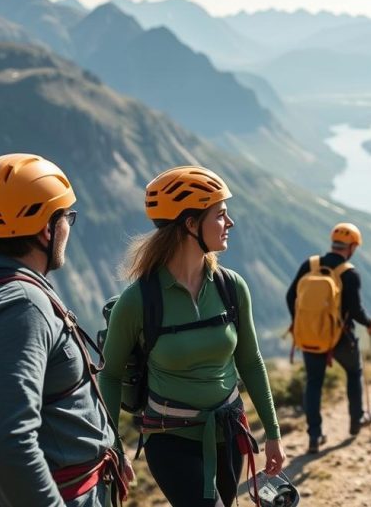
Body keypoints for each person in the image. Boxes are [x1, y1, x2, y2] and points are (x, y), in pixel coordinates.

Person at [0, 153, 130, 506]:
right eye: (66, 218)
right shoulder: (20, 307)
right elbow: (5, 443)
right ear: (47, 228)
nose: (68, 228)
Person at [99, 166, 286, 507]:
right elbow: (110, 376)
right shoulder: (139, 300)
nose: (230, 224)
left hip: (229, 433)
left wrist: (272, 434)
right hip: (170, 439)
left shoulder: (231, 287)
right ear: (190, 223)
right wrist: (113, 448)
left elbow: (250, 361)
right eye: (220, 215)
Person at [286, 222, 371, 454]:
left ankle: (314, 436)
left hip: (311, 337)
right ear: (353, 246)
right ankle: (356, 420)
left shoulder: (310, 265)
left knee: (314, 383)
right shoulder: (349, 273)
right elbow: (355, 310)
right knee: (353, 372)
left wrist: (304, 325)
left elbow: (290, 296)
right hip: (341, 338)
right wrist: (370, 323)